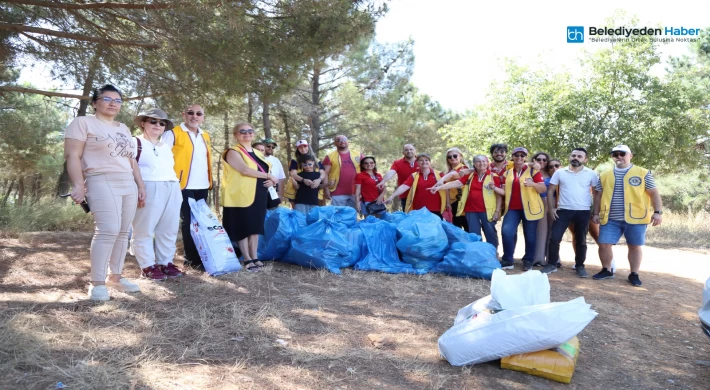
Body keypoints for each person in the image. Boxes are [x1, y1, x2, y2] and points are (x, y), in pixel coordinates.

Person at [64, 84, 146, 301]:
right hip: (100, 179)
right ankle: (97, 283)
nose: (113, 104)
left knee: (122, 231)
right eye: (107, 99)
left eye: (118, 100)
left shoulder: (123, 128)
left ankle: (115, 278)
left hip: (128, 182)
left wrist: (141, 185)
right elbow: (73, 156)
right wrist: (79, 185)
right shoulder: (82, 123)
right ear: (94, 102)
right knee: (107, 230)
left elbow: (131, 161)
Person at [591, 145, 663, 286]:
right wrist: (595, 213)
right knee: (604, 244)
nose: (619, 157)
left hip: (636, 218)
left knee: (634, 245)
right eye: (615, 154)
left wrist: (658, 212)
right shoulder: (604, 175)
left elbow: (654, 193)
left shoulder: (643, 173)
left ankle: (634, 273)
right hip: (610, 218)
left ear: (630, 155)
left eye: (622, 153)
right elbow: (598, 195)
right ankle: (606, 270)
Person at [130, 108, 183, 281]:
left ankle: (165, 262)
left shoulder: (165, 147)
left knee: (169, 228)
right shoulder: (134, 142)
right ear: (143, 123)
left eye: (162, 123)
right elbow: (130, 167)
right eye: (153, 121)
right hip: (148, 186)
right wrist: (139, 188)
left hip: (172, 186)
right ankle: (147, 266)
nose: (157, 125)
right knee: (144, 228)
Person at [221, 123, 278, 272]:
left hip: (258, 195)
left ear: (254, 134)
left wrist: (271, 180)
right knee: (243, 227)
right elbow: (245, 170)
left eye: (250, 131)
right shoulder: (233, 152)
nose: (247, 133)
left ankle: (255, 256)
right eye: (242, 131)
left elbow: (267, 169)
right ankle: (247, 258)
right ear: (236, 135)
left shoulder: (258, 152)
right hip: (239, 196)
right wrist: (268, 175)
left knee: (255, 227)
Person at [162, 104, 212, 272]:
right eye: (190, 113)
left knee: (200, 222)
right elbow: (162, 157)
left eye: (199, 113)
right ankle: (191, 260)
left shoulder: (205, 135)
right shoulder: (173, 133)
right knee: (188, 222)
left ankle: (203, 256)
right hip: (182, 185)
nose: (194, 116)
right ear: (183, 115)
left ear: (203, 117)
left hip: (203, 185)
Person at [541, 148, 600, 278]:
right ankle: (551, 264)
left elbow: (596, 194)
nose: (576, 158)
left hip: (583, 211)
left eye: (579, 156)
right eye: (573, 155)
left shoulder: (591, 174)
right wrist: (551, 209)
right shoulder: (560, 172)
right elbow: (550, 190)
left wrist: (596, 213)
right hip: (563, 211)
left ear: (585, 159)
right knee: (554, 238)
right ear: (570, 157)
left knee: (581, 240)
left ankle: (580, 266)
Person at [428, 155, 502, 248]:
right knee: (474, 233)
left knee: (490, 232)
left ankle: (493, 252)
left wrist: (497, 211)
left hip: (488, 210)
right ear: (474, 164)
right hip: (471, 209)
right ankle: (478, 253)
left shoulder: (493, 176)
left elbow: (499, 195)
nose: (481, 163)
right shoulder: (470, 176)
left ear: (487, 163)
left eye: (484, 161)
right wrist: (439, 187)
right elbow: (456, 183)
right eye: (478, 161)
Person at [497, 147, 546, 270]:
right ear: (512, 157)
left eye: (522, 156)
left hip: (530, 208)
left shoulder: (533, 171)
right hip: (512, 209)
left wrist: (532, 184)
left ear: (525, 157)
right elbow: (503, 191)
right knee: (506, 232)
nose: (519, 158)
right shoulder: (507, 173)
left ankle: (528, 260)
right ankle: (508, 259)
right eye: (516, 155)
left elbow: (543, 189)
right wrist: (493, 188)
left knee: (530, 235)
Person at [384, 153, 448, 218]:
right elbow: (404, 186)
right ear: (417, 162)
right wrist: (392, 196)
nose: (424, 162)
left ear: (429, 162)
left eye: (426, 160)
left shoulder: (439, 174)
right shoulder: (414, 176)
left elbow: (447, 188)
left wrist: (448, 203)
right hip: (418, 209)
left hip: (436, 208)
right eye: (421, 160)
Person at [323, 135, 363, 208]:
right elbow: (325, 174)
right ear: (335, 143)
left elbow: (367, 170)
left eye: (344, 139)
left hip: (355, 191)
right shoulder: (329, 156)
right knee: (338, 215)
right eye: (339, 140)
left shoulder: (358, 155)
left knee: (352, 215)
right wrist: (326, 189)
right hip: (337, 191)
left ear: (348, 142)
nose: (342, 142)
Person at [377, 144, 419, 210]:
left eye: (411, 149)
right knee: (408, 216)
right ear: (403, 152)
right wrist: (383, 181)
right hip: (405, 194)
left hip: (420, 193)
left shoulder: (422, 161)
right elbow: (391, 172)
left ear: (415, 151)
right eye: (406, 150)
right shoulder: (397, 163)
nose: (409, 151)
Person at [437, 147, 469, 230]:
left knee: (467, 225)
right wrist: (448, 203)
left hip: (464, 201)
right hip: (453, 202)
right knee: (456, 226)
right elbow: (446, 188)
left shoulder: (464, 169)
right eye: (449, 157)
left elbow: (454, 176)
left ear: (460, 157)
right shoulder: (447, 172)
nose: (452, 158)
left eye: (455, 156)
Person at [285, 140, 324, 207]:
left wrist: (319, 180)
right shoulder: (294, 161)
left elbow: (323, 173)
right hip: (297, 190)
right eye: (300, 147)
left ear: (308, 146)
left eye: (305, 146)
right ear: (297, 149)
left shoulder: (317, 161)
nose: (303, 149)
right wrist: (303, 180)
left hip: (314, 191)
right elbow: (293, 174)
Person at [531, 151, 552, 266]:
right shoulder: (531, 172)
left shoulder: (552, 172)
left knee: (552, 232)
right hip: (538, 202)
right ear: (534, 160)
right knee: (541, 231)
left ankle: (553, 259)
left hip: (553, 203)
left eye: (544, 160)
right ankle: (538, 258)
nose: (542, 162)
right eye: (539, 159)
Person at [261, 138, 286, 205]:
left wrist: (280, 195)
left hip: (273, 193)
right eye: (268, 146)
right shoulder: (257, 158)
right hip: (259, 193)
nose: (271, 148)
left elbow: (281, 179)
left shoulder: (276, 160)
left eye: (273, 147)